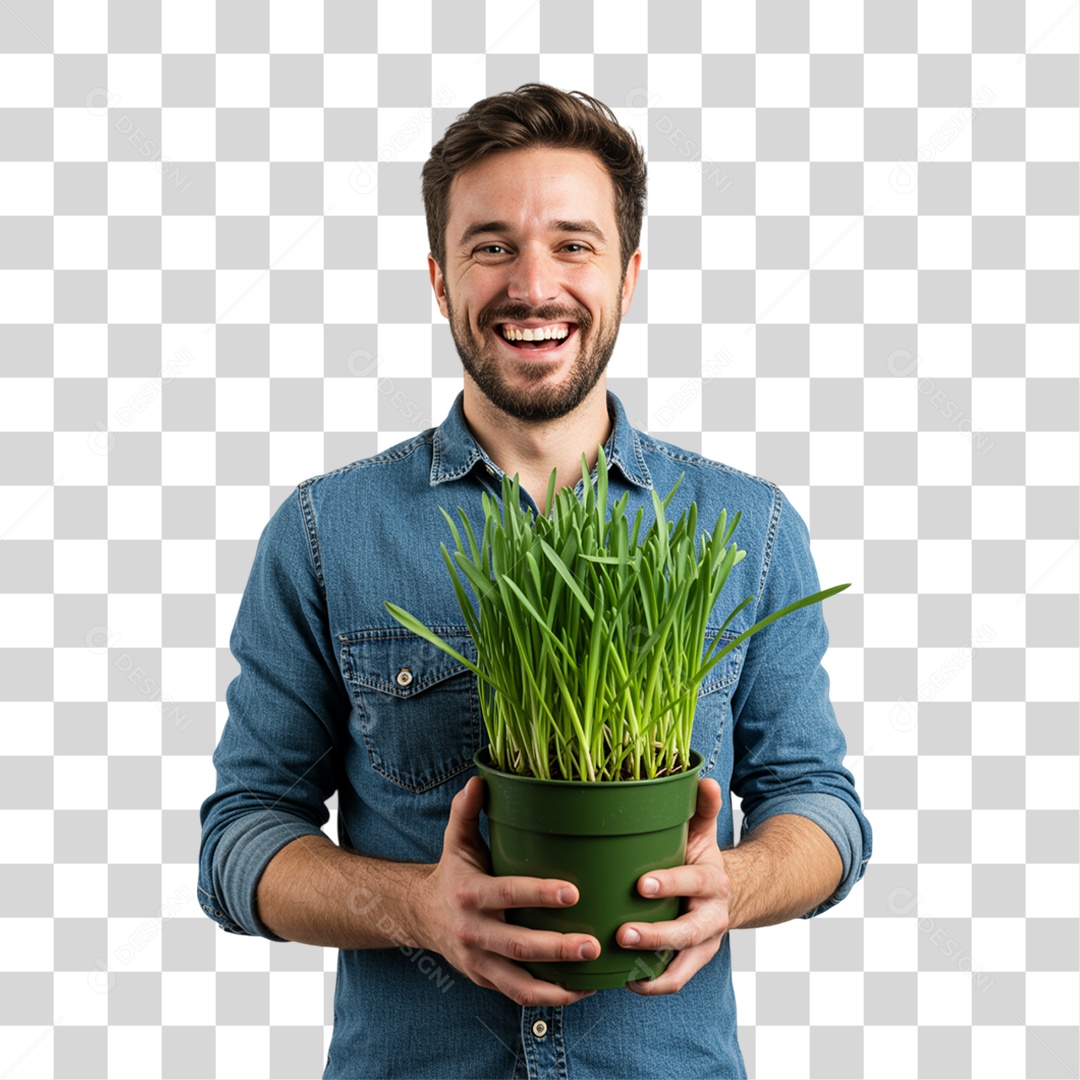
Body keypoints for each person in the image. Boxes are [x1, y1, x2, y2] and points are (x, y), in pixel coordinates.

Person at [198, 83, 872, 1079]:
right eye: (491, 246)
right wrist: (417, 908)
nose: (532, 283)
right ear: (438, 277)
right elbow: (240, 842)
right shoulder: (323, 532)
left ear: (629, 273)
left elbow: (822, 809)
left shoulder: (746, 527)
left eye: (573, 243)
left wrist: (733, 882)